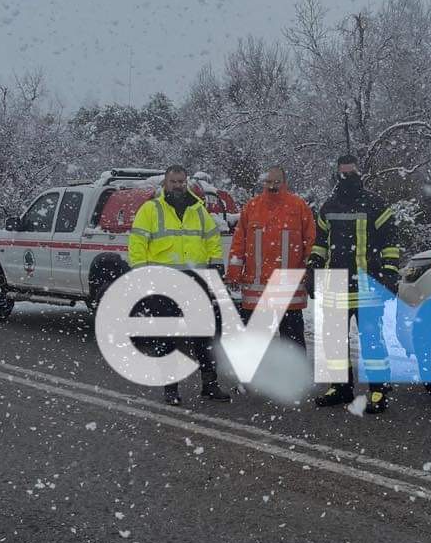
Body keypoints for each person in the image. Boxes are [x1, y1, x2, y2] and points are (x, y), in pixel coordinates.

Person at [127, 165, 231, 406]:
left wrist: (216, 264)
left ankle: (210, 385)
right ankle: (170, 389)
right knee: (167, 336)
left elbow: (212, 238)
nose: (178, 185)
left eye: (181, 181)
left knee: (204, 335)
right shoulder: (150, 209)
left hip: (196, 280)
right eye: (173, 181)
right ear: (165, 183)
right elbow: (138, 243)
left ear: (187, 182)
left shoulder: (198, 209)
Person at [308, 154, 402, 414]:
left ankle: (378, 390)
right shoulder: (329, 207)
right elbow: (321, 242)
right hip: (335, 284)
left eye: (351, 172)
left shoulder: (376, 205)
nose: (347, 177)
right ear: (337, 174)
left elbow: (390, 243)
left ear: (360, 173)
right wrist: (313, 266)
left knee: (372, 340)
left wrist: (390, 273)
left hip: (367, 283)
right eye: (343, 173)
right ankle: (339, 387)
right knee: (334, 339)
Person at [225, 166, 315, 349]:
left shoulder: (298, 207)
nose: (272, 185)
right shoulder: (252, 207)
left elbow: (310, 243)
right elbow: (239, 243)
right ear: (263, 182)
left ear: (285, 182)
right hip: (256, 290)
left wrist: (311, 272)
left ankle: (294, 377)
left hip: (289, 290)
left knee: (293, 343)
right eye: (268, 181)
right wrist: (233, 273)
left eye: (276, 181)